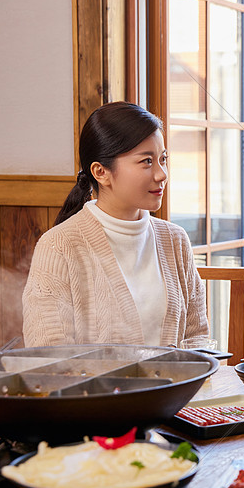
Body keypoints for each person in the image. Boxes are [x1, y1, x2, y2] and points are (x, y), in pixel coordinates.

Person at [22, 101, 208, 347]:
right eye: (147, 161)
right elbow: (48, 354)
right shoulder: (58, 246)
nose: (162, 174)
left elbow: (198, 339)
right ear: (101, 172)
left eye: (163, 159)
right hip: (93, 387)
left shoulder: (175, 240)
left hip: (175, 386)